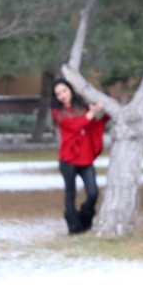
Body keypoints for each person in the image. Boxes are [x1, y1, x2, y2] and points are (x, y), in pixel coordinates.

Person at [51, 79, 108, 234]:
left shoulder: (83, 108)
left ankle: (84, 219)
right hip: (68, 159)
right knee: (71, 194)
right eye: (58, 93)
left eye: (64, 90)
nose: (62, 95)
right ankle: (74, 228)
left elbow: (93, 125)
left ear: (70, 90)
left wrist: (106, 112)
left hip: (85, 158)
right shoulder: (58, 113)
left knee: (93, 193)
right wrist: (92, 112)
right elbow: (77, 125)